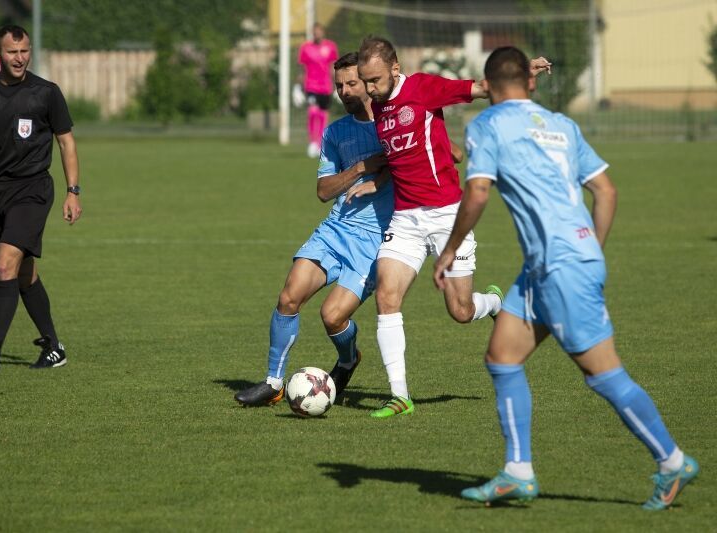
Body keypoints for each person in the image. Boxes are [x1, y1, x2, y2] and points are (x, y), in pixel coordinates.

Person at [433, 46, 698, 509]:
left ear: (489, 86)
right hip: (550, 264)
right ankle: (518, 472)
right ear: (531, 83)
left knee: (604, 373)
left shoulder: (487, 125)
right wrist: (589, 248)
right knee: (502, 356)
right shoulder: (563, 125)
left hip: (560, 268)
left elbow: (476, 193)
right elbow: (606, 191)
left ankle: (671, 460)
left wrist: (451, 248)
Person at [356, 36, 552, 418]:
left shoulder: (423, 88)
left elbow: (480, 88)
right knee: (386, 296)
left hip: (447, 215)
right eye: (365, 81)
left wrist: (521, 71)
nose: (369, 89)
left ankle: (494, 302)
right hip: (405, 218)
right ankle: (400, 396)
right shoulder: (378, 105)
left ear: (395, 68)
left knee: (461, 312)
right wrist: (376, 180)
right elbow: (402, 154)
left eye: (375, 80)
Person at [235, 52, 392, 406]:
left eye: (351, 83)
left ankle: (349, 358)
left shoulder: (392, 123)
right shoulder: (336, 132)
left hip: (375, 241)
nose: (344, 91)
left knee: (332, 317)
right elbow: (323, 192)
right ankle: (274, 382)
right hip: (336, 229)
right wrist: (359, 170)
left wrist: (379, 180)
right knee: (289, 295)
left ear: (369, 83)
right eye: (339, 85)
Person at [0, 25, 82, 374]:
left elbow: (66, 142)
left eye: (24, 51)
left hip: (32, 190)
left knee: (4, 264)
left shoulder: (46, 93)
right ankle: (54, 346)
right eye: (12, 52)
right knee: (23, 273)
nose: (20, 58)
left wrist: (73, 192)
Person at [298, 23, 338, 158]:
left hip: (325, 86)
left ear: (323, 32)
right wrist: (297, 87)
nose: (316, 34)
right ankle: (312, 142)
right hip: (311, 85)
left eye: (318, 32)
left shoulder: (330, 47)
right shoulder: (306, 48)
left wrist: (337, 84)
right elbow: (301, 69)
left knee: (322, 115)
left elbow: (333, 67)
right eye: (314, 32)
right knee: (312, 111)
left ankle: (320, 144)